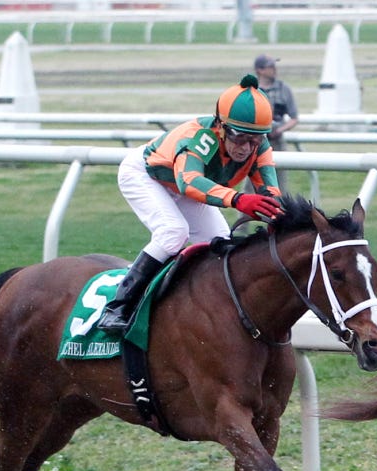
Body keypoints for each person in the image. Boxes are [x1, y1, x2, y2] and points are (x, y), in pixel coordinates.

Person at [97, 74, 284, 336]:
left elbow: (270, 192)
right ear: (221, 127)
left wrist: (277, 215)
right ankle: (118, 306)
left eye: (254, 140)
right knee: (173, 232)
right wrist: (238, 199)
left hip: (181, 184)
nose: (246, 148)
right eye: (240, 137)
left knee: (221, 242)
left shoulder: (259, 147)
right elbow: (189, 181)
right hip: (146, 175)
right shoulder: (200, 138)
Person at [253, 54, 299, 188]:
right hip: (254, 142)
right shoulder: (251, 89)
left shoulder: (284, 89)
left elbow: (294, 118)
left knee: (279, 182)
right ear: (260, 70)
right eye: (271, 66)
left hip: (277, 141)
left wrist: (279, 130)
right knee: (252, 183)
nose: (274, 69)